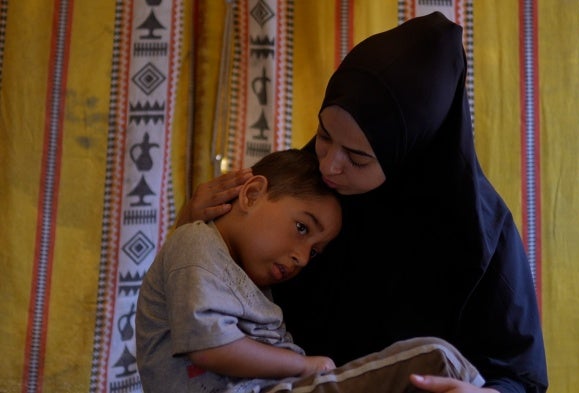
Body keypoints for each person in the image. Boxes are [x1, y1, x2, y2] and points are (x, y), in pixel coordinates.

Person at [177, 12, 548, 393]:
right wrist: (193, 226)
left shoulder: (480, 233)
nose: (329, 165)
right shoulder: (297, 187)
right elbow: (200, 300)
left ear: (411, 152)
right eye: (323, 134)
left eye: (357, 158)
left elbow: (522, 376)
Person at [137, 148, 485, 393]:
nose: (303, 258)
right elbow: (209, 345)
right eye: (302, 228)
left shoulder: (246, 276)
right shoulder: (194, 240)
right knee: (433, 359)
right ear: (252, 193)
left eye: (315, 252)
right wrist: (304, 366)